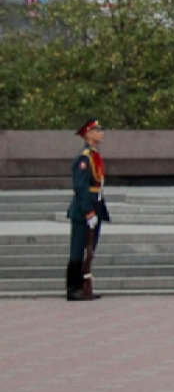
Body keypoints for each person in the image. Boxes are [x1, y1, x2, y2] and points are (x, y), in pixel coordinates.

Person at [66, 117, 109, 301]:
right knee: (78, 249)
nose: (101, 133)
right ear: (89, 134)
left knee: (89, 249)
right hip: (84, 208)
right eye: (97, 130)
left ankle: (84, 286)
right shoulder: (84, 158)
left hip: (95, 205)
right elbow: (80, 186)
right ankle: (73, 287)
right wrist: (88, 211)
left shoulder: (94, 156)